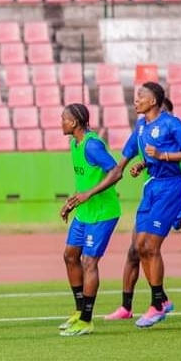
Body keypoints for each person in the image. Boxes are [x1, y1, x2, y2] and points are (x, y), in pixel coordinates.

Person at [105, 98, 181, 321]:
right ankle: (134, 305)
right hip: (156, 198)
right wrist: (143, 164)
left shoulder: (175, 132)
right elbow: (143, 157)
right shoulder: (145, 131)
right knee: (136, 250)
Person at [57, 104, 122, 336]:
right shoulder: (74, 144)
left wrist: (89, 194)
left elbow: (116, 171)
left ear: (74, 122)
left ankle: (86, 320)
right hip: (84, 212)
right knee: (70, 256)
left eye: (64, 119)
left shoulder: (92, 145)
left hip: (102, 213)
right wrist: (72, 202)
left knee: (89, 262)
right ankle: (79, 311)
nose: (61, 122)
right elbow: (85, 180)